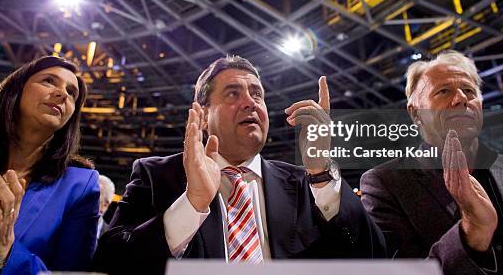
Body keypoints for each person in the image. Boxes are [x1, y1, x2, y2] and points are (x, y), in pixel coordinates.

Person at [94, 55, 385, 274]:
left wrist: (322, 171)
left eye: (257, 94)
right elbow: (110, 262)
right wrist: (192, 203)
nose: (250, 103)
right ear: (203, 115)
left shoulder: (307, 182)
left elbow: (370, 256)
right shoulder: (157, 175)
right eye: (233, 93)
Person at [360, 50, 503, 274]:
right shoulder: (385, 184)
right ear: (415, 113)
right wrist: (471, 233)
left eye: (469, 90)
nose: (461, 99)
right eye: (443, 91)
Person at [0, 56, 100, 273]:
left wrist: (6, 254)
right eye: (49, 81)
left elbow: (72, 272)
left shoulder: (80, 186)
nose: (62, 94)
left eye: (72, 93)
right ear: (15, 90)